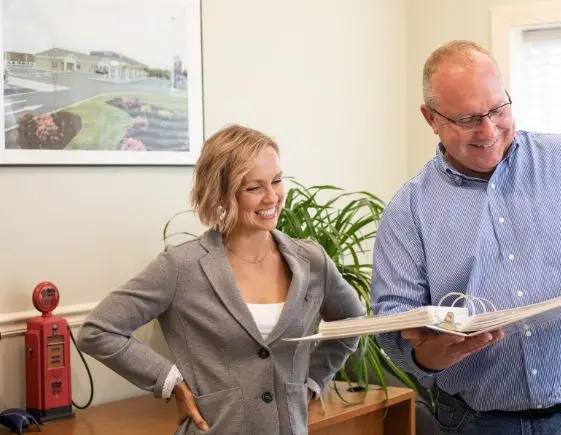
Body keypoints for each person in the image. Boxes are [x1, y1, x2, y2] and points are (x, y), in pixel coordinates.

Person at [370, 40, 561, 434]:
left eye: (498, 109)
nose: (489, 130)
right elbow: (394, 319)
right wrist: (429, 354)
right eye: (468, 119)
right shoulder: (408, 210)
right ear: (431, 118)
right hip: (473, 423)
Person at [77, 124, 365, 435]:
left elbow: (352, 322)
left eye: (277, 181)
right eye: (254, 188)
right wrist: (170, 381)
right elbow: (98, 331)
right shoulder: (181, 266)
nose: (272, 197)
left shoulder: (312, 261)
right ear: (221, 192)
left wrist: (311, 381)